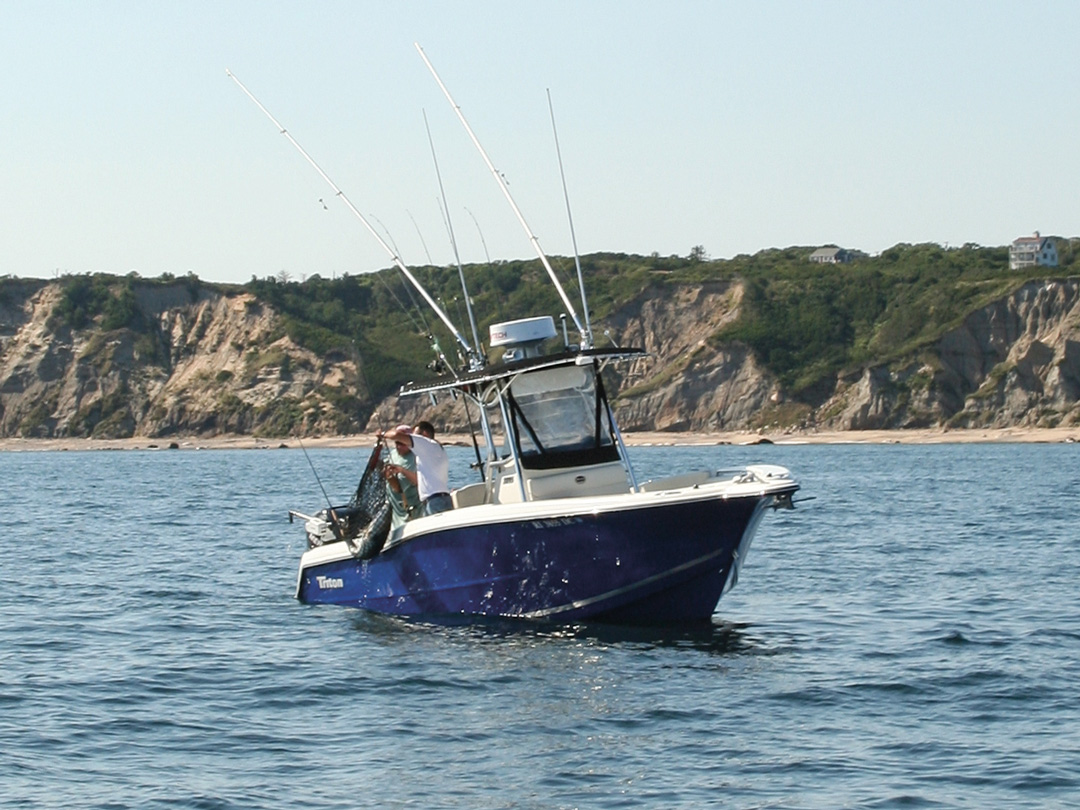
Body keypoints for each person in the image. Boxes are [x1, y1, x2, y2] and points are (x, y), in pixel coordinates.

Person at [380, 420, 452, 518]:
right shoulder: (436, 448)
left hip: (434, 502)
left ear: (425, 434)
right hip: (441, 499)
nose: (413, 438)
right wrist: (401, 469)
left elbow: (396, 435)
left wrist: (383, 434)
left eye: (416, 435)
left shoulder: (426, 444)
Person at [382, 424, 419, 531]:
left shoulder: (415, 458)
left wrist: (399, 471)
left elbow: (399, 487)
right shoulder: (393, 454)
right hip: (394, 509)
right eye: (397, 443)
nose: (399, 446)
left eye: (402, 444)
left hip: (411, 510)